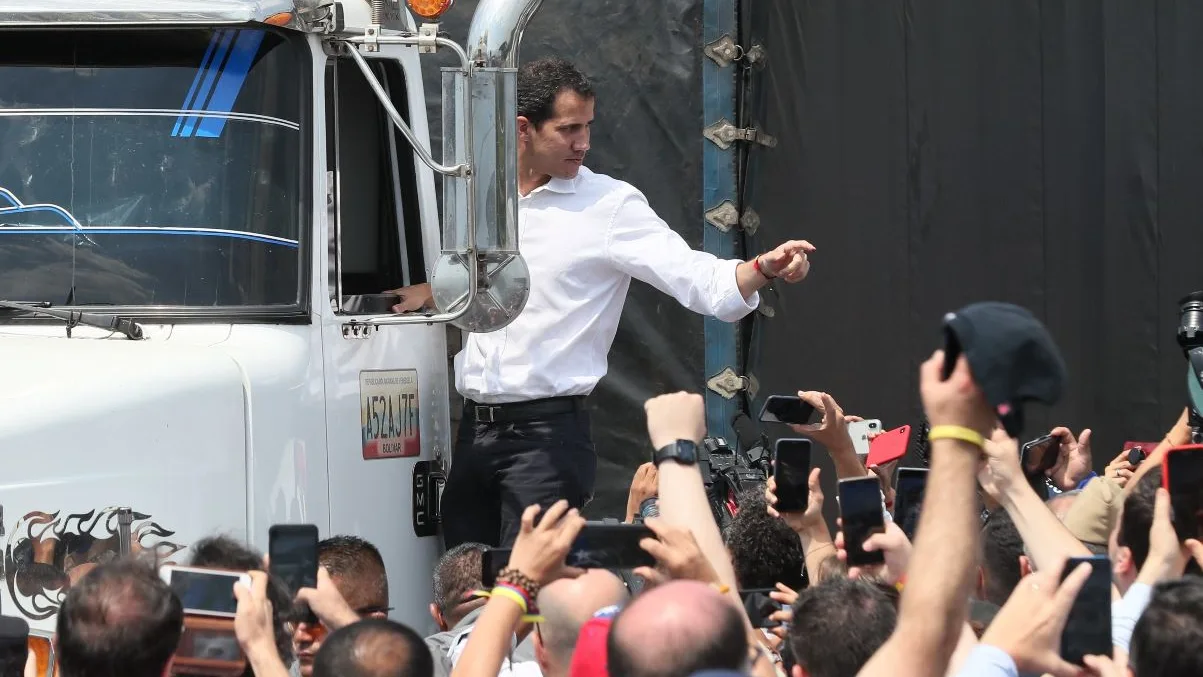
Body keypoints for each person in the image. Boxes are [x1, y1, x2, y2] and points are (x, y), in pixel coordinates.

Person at [389, 57, 816, 549]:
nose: (584, 143)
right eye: (569, 129)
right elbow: (482, 285)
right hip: (473, 433)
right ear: (523, 129)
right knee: (466, 593)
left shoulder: (610, 205)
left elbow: (698, 279)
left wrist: (762, 267)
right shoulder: (480, 196)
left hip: (547, 440)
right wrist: (433, 291)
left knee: (530, 600)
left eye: (588, 127)